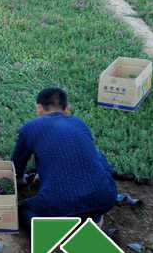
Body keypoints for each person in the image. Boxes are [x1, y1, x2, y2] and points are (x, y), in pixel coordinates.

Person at [11, 88, 117, 230]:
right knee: (97, 155)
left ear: (39, 108)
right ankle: (92, 218)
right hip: (104, 200)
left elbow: (16, 166)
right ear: (67, 109)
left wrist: (21, 180)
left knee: (24, 210)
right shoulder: (79, 123)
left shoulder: (31, 127)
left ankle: (51, 233)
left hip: (59, 205)